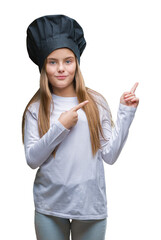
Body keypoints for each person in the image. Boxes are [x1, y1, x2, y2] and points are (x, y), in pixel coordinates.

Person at [22, 15, 139, 240]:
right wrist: (60, 127)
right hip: (50, 207)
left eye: (68, 60)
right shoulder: (36, 108)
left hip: (90, 205)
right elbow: (32, 160)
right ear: (43, 66)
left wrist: (126, 112)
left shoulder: (96, 103)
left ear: (77, 62)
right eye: (52, 61)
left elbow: (110, 155)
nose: (61, 69)